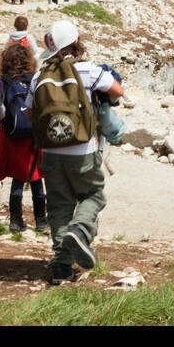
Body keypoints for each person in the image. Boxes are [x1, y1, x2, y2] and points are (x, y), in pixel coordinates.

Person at [34, 19, 125, 285]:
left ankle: (61, 265)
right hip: (84, 150)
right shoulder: (89, 71)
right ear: (76, 43)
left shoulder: (40, 77)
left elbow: (31, 114)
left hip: (50, 152)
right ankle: (80, 230)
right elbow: (118, 91)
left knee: (59, 204)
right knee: (93, 195)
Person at [0, 43, 47, 234]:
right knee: (36, 178)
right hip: (33, 137)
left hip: (12, 137)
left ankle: (15, 221)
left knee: (17, 178)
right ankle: (41, 221)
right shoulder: (35, 79)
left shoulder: (3, 82)